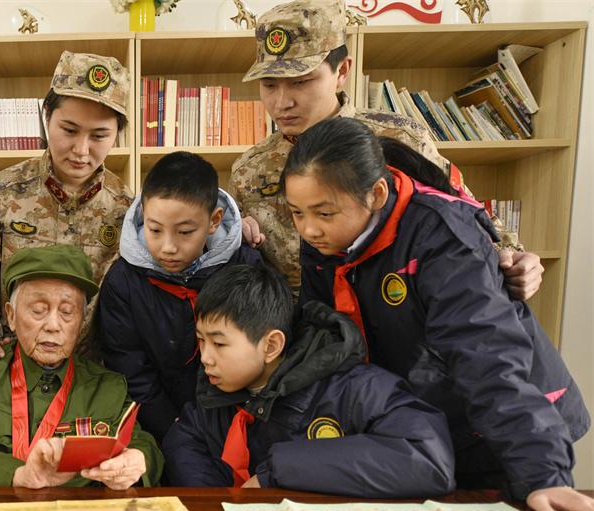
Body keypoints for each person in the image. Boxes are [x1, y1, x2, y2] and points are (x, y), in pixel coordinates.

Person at [285, 116, 591, 511]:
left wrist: (543, 474)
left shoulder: (442, 236)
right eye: (296, 213)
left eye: (323, 212)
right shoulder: (325, 239)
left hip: (504, 425)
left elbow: (486, 355)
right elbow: (328, 335)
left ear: (376, 195)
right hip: (427, 425)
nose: (308, 229)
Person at [229, 0, 543, 301]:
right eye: (269, 85)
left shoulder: (401, 140)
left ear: (342, 72)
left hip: (392, 316)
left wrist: (512, 257)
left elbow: (464, 215)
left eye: (300, 82)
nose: (282, 103)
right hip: (298, 327)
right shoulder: (250, 169)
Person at [163, 264, 454, 495]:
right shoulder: (215, 396)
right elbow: (185, 441)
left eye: (219, 343)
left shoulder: (350, 390)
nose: (206, 358)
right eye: (201, 341)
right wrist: (221, 503)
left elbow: (428, 457)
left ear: (271, 346)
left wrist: (279, 472)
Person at [0, 51, 134, 362]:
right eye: (69, 130)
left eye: (99, 136)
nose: (81, 150)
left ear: (117, 133)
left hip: (93, 375)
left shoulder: (127, 210)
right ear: (46, 115)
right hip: (11, 370)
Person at [0, 245, 163, 489]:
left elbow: (142, 444)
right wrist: (20, 475)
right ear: (11, 316)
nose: (53, 325)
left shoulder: (106, 387)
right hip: (0, 507)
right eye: (38, 311)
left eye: (67, 312)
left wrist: (137, 461)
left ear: (81, 321)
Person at [97, 151, 260, 445]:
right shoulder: (123, 281)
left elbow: (258, 355)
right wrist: (172, 428)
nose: (168, 247)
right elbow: (128, 366)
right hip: (158, 424)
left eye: (185, 232)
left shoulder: (246, 267)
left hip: (238, 420)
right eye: (155, 230)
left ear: (214, 220)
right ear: (143, 215)